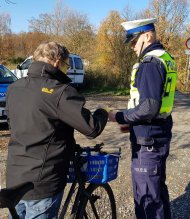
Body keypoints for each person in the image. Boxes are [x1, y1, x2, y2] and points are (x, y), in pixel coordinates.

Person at [5, 42, 108, 218]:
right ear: (57, 61)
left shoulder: (14, 88)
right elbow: (92, 128)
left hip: (14, 177)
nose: (66, 70)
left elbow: (17, 125)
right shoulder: (59, 91)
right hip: (44, 181)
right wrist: (102, 111)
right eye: (66, 65)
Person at [109, 18, 177, 219]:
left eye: (133, 41)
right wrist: (132, 123)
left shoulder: (149, 63)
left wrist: (120, 116)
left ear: (147, 36)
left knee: (147, 196)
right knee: (157, 190)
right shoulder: (165, 57)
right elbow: (157, 105)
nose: (131, 47)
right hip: (157, 133)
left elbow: (149, 107)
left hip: (148, 141)